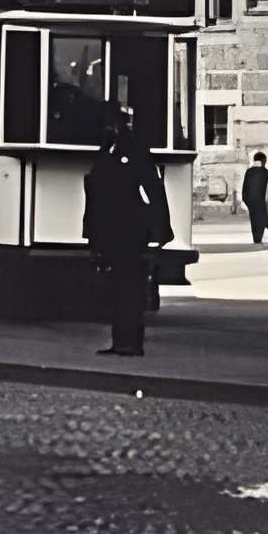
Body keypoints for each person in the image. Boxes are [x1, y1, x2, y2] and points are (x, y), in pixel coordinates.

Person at [81, 114, 168, 357]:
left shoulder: (132, 152)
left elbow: (152, 189)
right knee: (119, 289)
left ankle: (130, 342)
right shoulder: (108, 152)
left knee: (130, 287)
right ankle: (121, 340)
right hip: (111, 229)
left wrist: (159, 227)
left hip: (129, 229)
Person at [242, 151, 268, 246]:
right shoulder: (265, 172)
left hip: (251, 200)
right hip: (261, 200)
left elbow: (245, 187)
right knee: (264, 219)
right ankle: (258, 238)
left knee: (254, 219)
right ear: (263, 160)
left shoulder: (249, 171)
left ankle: (257, 238)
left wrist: (246, 200)